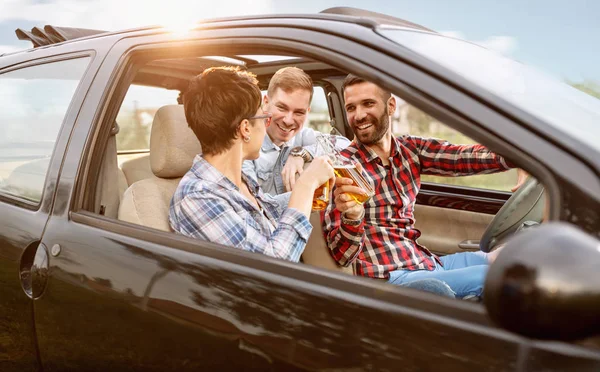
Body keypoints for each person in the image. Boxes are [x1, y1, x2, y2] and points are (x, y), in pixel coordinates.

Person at [325, 74, 528, 298]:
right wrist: (352, 218)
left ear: (390, 106)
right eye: (351, 108)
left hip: (424, 261)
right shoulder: (343, 167)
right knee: (502, 277)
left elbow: (465, 158)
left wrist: (521, 156)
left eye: (368, 104)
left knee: (509, 257)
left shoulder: (410, 149)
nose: (359, 115)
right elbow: (342, 255)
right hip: (392, 277)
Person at [169, 66, 335, 262]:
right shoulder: (198, 197)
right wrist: (305, 186)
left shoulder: (238, 181)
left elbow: (270, 209)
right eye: (264, 117)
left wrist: (320, 190)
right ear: (246, 128)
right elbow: (275, 267)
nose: (267, 125)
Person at [242, 67, 350, 196]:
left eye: (299, 112)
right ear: (265, 102)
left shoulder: (303, 137)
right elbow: (256, 204)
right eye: (282, 108)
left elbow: (346, 146)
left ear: (307, 112)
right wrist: (307, 188)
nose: (288, 120)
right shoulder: (246, 145)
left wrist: (302, 154)